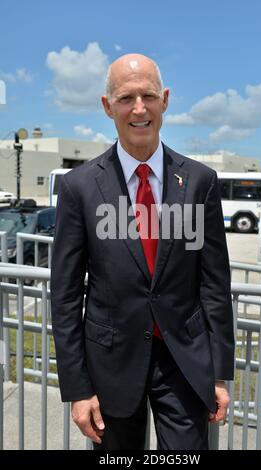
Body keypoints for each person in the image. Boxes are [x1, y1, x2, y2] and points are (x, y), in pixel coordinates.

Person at [51, 53, 235, 451]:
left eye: (149, 96)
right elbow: (65, 296)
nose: (139, 108)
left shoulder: (201, 182)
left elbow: (215, 284)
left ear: (165, 100)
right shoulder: (78, 188)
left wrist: (220, 373)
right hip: (110, 364)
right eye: (125, 98)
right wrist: (77, 389)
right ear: (107, 106)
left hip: (183, 363)